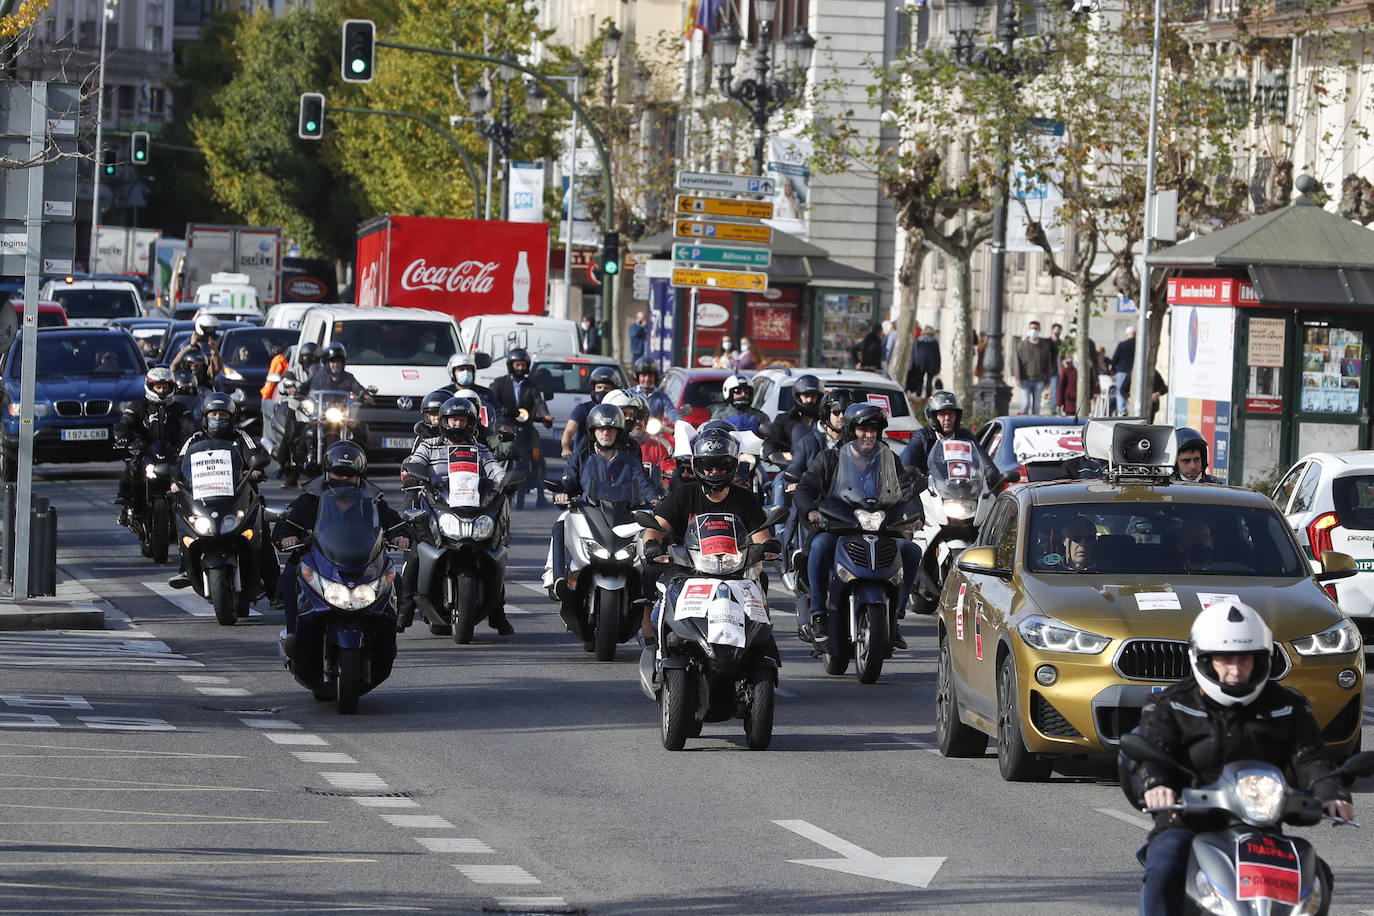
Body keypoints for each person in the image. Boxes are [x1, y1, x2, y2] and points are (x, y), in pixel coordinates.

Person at [1124, 600, 1353, 916]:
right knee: (1166, 861)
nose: (1235, 670)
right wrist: (1156, 784)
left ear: (1261, 661)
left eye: (1245, 659)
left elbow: (1309, 758)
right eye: (1224, 659)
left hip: (1261, 828)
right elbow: (1152, 752)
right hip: (1187, 823)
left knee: (1316, 873)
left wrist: (1332, 794)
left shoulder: (1288, 706)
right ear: (1203, 659)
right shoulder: (1171, 704)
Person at [793, 403, 921, 650]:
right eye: (863, 429)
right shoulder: (829, 458)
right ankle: (818, 612)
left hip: (880, 529)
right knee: (819, 546)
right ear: (852, 431)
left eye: (874, 429)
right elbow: (805, 487)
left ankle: (895, 617)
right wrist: (811, 510)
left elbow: (906, 490)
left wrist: (915, 514)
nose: (869, 435)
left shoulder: (890, 460)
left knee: (911, 551)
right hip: (837, 528)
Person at [274, 441, 411, 654]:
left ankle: (390, 633)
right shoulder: (309, 500)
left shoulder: (373, 501)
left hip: (364, 566)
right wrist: (287, 538)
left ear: (359, 477)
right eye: (338, 474)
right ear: (328, 474)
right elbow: (285, 524)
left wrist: (400, 535)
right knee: (292, 575)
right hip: (319, 563)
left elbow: (395, 523)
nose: (343, 479)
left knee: (394, 578)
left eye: (349, 474)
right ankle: (294, 634)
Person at [640, 430, 771, 645]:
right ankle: (648, 626)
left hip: (735, 570)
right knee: (651, 571)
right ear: (697, 466)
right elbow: (655, 529)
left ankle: (762, 639)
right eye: (708, 466)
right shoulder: (683, 494)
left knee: (760, 578)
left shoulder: (746, 500)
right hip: (686, 568)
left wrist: (768, 547)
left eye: (720, 466)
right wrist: (652, 544)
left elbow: (761, 538)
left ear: (732, 467)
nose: (713, 472)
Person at [398, 397, 509, 633]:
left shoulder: (479, 449)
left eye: (462, 419)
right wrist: (413, 472)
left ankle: (497, 611)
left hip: (472, 508)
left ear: (470, 422)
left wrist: (505, 482)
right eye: (453, 419)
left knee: (495, 552)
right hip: (438, 508)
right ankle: (405, 610)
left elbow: (494, 469)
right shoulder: (429, 446)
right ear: (445, 422)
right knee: (415, 554)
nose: (457, 424)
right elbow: (414, 463)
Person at [546, 404, 659, 613]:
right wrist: (562, 493)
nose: (606, 433)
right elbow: (568, 483)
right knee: (561, 521)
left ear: (618, 432)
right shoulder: (580, 456)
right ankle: (557, 576)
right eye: (601, 429)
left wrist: (655, 500)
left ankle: (652, 590)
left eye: (611, 429)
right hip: (589, 512)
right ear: (593, 431)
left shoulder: (629, 459)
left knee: (654, 530)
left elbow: (643, 484)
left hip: (623, 513)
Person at [168, 392, 277, 596]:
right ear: (205, 417)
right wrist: (175, 480)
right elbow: (179, 463)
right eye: (214, 414)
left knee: (262, 535)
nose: (218, 419)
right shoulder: (195, 439)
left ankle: (273, 589)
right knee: (182, 520)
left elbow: (256, 455)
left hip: (239, 499)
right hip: (204, 501)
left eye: (224, 415)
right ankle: (185, 567)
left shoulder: (241, 436)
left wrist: (253, 470)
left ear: (232, 417)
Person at [115, 367, 196, 527]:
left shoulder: (179, 409)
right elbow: (125, 423)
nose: (162, 391)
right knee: (131, 468)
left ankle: (189, 514)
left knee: (189, 475)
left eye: (165, 387)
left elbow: (191, 425)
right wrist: (122, 437)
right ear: (150, 387)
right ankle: (128, 507)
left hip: (173, 454)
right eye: (158, 387)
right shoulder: (138, 406)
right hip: (145, 452)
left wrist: (199, 435)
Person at [488, 347, 553, 509]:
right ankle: (494, 486)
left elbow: (539, 403)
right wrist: (500, 411)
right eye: (517, 365)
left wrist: (546, 417)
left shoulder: (532, 386)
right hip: (504, 426)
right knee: (497, 452)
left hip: (526, 427)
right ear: (511, 365)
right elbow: (491, 403)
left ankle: (540, 493)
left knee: (538, 454)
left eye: (523, 365)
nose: (521, 368)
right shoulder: (499, 383)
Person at [899, 390, 995, 482]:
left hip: (962, 490)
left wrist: (991, 471)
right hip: (929, 492)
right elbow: (906, 462)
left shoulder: (965, 437)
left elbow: (982, 457)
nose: (947, 418)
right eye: (942, 414)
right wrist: (911, 473)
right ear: (933, 417)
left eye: (951, 413)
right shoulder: (922, 437)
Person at [276, 342, 321, 486]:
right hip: (297, 407)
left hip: (317, 408)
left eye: (312, 357)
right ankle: (289, 470)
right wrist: (290, 387)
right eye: (306, 356)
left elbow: (333, 384)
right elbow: (282, 383)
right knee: (292, 436)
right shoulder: (294, 370)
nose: (309, 359)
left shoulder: (323, 372)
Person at [561, 365, 619, 459]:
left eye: (606, 388)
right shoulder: (582, 409)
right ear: (593, 389)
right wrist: (566, 448)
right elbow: (569, 431)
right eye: (599, 387)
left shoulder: (618, 412)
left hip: (609, 459)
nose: (602, 391)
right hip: (583, 460)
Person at [1014, 320, 1053, 416]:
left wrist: (1048, 380)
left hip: (1039, 380)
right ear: (1028, 329)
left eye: (1036, 328)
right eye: (1032, 328)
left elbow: (1048, 365)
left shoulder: (1044, 346)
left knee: (1036, 407)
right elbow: (1016, 362)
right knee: (1025, 405)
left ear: (1039, 329)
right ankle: (1021, 424)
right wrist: (1017, 377)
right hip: (1025, 380)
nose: (1033, 330)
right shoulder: (1022, 345)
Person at [628, 357, 682, 425]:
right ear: (637, 377)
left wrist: (680, 424)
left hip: (654, 433)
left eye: (650, 376)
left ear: (655, 377)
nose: (647, 379)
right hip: (633, 432)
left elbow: (672, 412)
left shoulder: (662, 396)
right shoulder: (630, 394)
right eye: (643, 376)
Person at [172, 313, 224, 379]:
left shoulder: (215, 343)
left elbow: (217, 369)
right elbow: (174, 366)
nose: (211, 331)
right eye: (208, 329)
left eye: (213, 329)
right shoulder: (186, 344)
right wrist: (190, 346)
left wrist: (214, 352)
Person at [909, 326, 941, 398]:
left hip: (921, 362)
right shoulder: (934, 341)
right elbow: (937, 354)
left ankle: (918, 394)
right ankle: (928, 396)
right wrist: (939, 365)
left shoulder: (920, 340)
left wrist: (915, 361)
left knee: (920, 380)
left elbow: (916, 351)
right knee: (929, 381)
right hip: (932, 363)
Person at [1112, 327, 1137, 415]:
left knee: (1121, 391)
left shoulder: (1122, 344)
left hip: (1122, 370)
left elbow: (1115, 359)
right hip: (1134, 371)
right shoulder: (1139, 344)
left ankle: (1122, 410)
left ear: (1127, 335)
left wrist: (1113, 370)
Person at [1046, 323, 1063, 413]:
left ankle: (1056, 409)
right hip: (1049, 370)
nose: (1057, 332)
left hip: (1058, 371)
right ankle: (1053, 410)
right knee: (1053, 392)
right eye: (1056, 330)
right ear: (1052, 330)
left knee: (1057, 391)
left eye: (1059, 330)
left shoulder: (1061, 343)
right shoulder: (1047, 342)